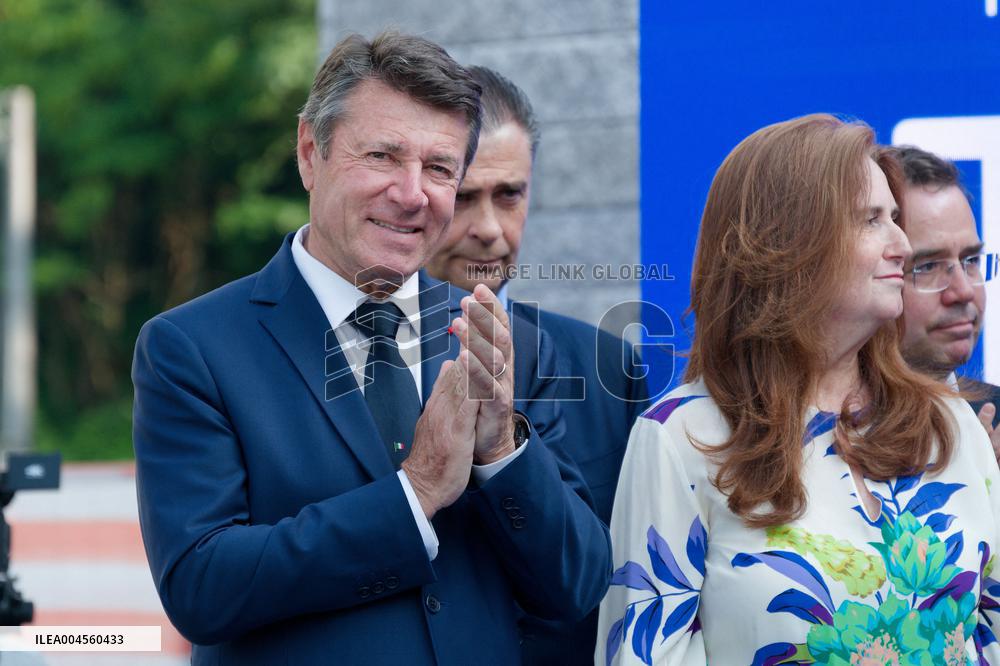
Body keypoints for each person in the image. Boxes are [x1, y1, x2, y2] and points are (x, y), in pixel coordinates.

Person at [131, 32, 611, 665]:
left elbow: (576, 586)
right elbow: (202, 588)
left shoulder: (505, 342)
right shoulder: (190, 349)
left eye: (439, 169)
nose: (412, 193)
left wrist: (500, 450)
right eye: (383, 156)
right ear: (310, 152)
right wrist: (414, 494)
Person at [597, 114, 1000, 664]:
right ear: (788, 243)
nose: (902, 245)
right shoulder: (681, 437)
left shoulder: (950, 426)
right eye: (871, 220)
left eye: (895, 218)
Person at [424, 66, 649, 664]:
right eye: (465, 197)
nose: (490, 230)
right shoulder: (353, 360)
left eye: (510, 195)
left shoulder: (609, 367)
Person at [892, 145, 1000, 451]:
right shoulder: (816, 437)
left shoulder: (994, 420)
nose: (963, 291)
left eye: (971, 261)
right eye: (927, 267)